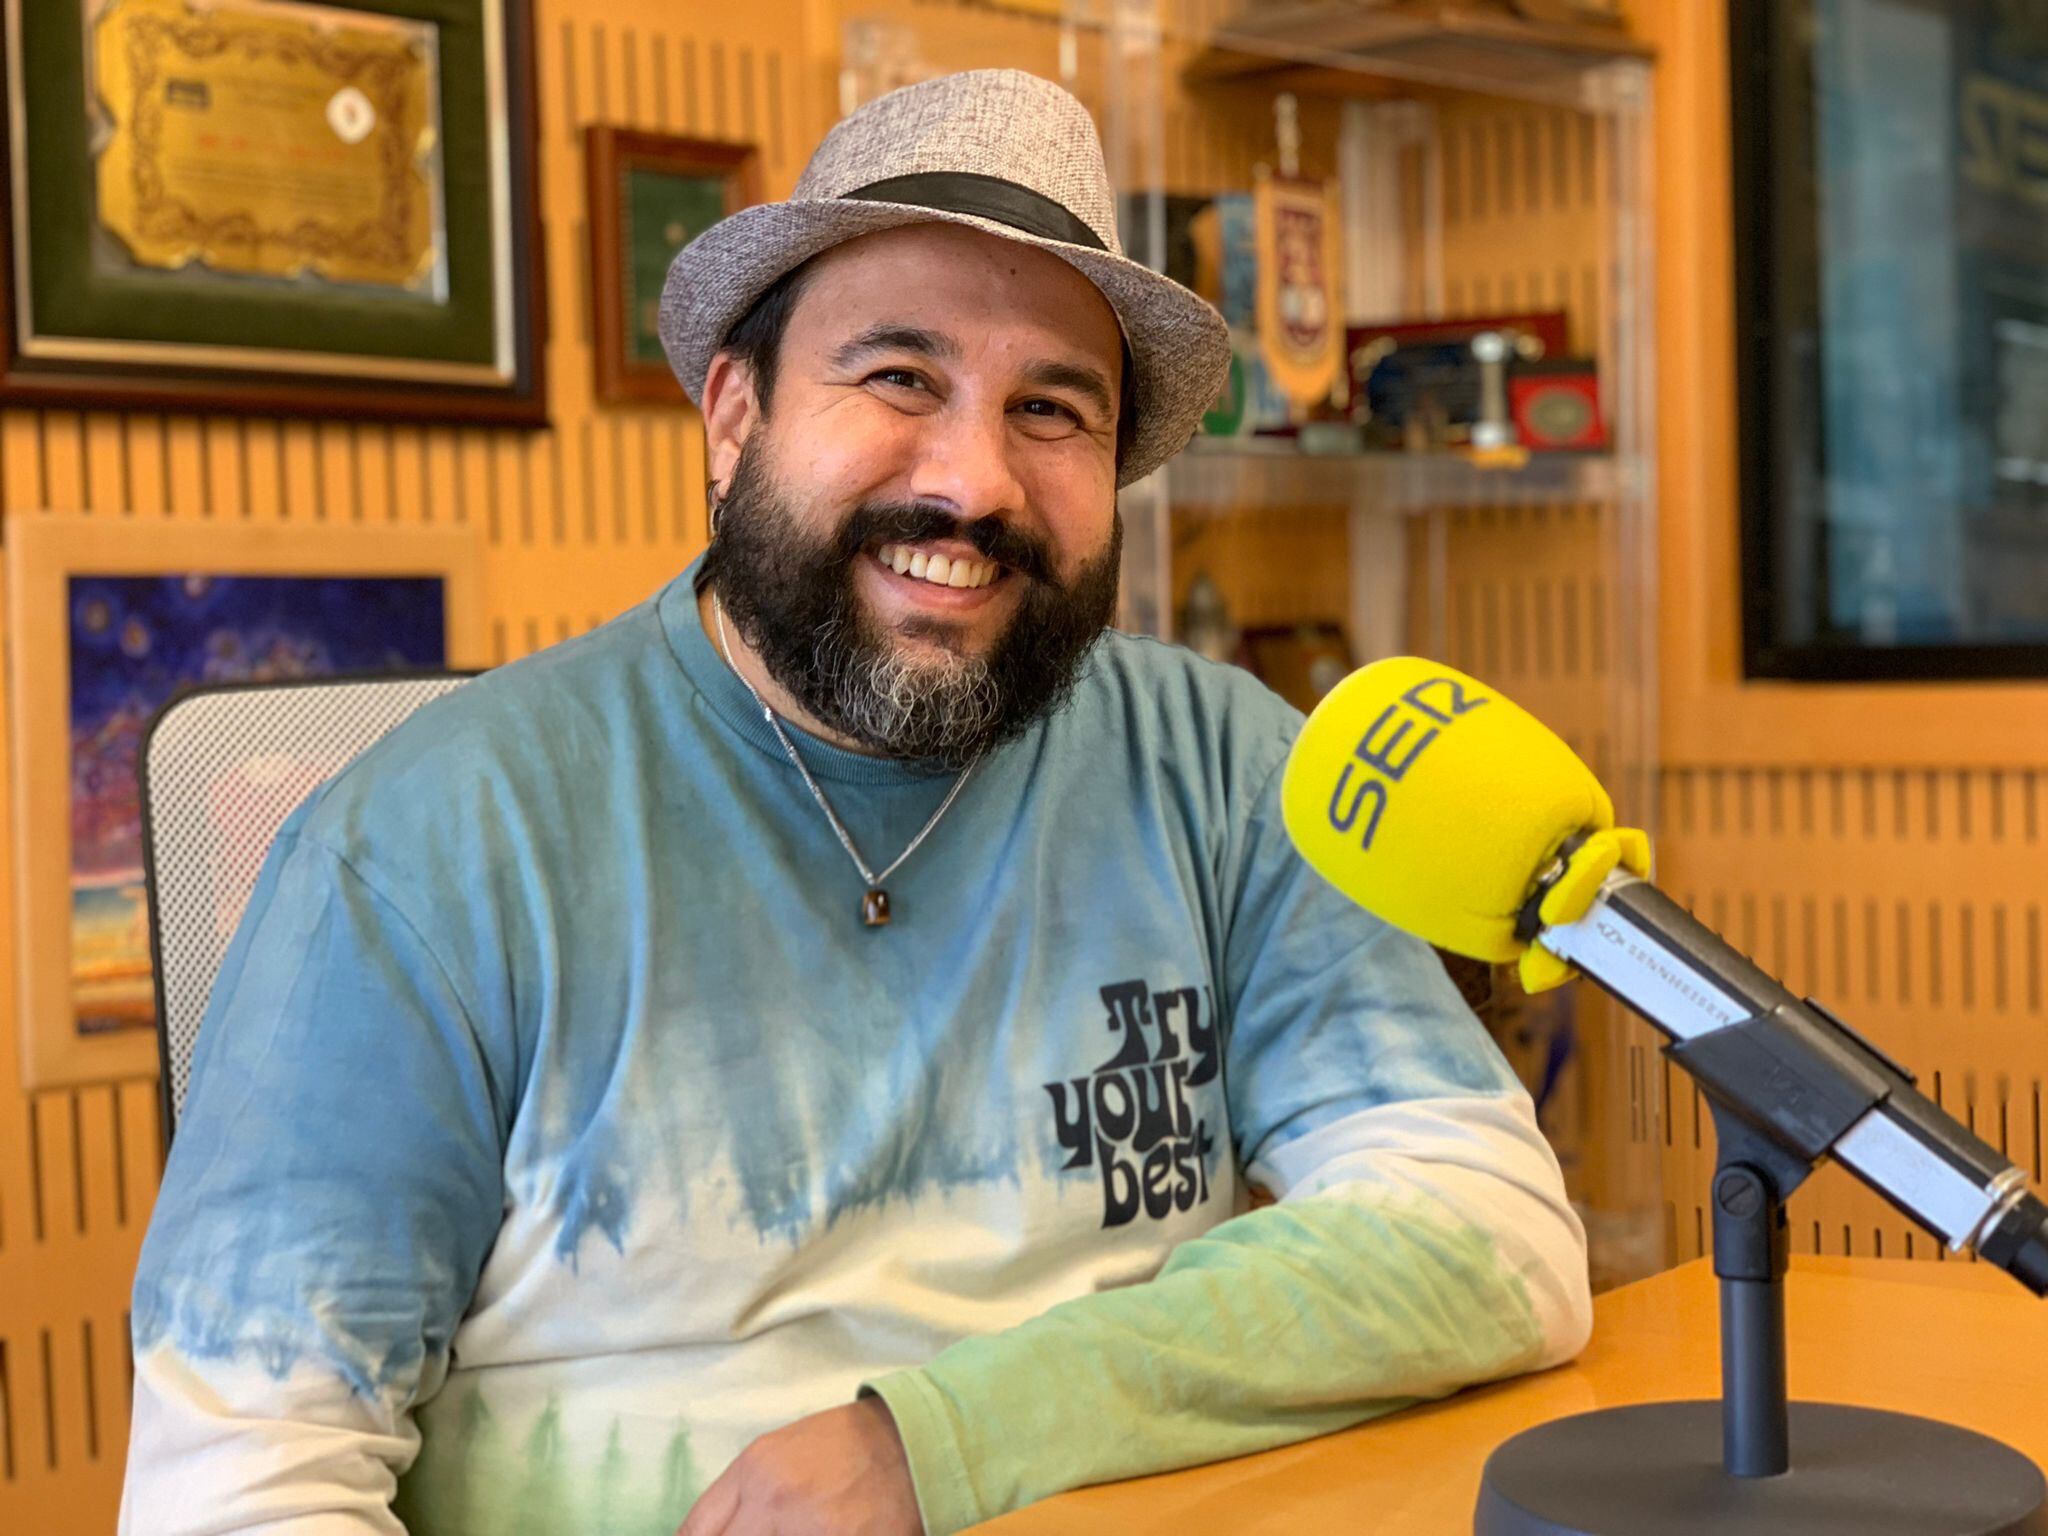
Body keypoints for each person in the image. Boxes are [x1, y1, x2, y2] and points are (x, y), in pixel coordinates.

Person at [120, 69, 1591, 1536]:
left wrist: (941, 1440)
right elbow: (246, 1476)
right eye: (899, 378)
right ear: (735, 416)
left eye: (1053, 408)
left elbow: (1494, 1240)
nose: (972, 481)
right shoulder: (425, 850)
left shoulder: (1217, 768)